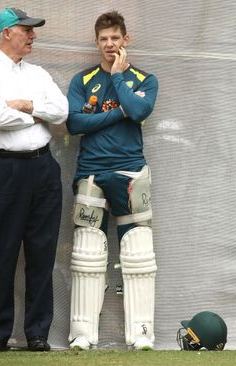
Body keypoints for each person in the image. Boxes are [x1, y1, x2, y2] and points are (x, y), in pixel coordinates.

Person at [0, 8, 68, 352]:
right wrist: (38, 115)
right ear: (7, 32)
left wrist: (26, 105)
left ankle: (37, 333)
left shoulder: (37, 73)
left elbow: (62, 111)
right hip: (5, 169)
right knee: (2, 251)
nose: (33, 36)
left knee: (42, 253)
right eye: (27, 30)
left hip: (43, 168)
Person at [66, 10, 158, 350]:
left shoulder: (145, 80)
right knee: (87, 250)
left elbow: (138, 112)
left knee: (138, 251)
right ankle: (82, 334)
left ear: (125, 40)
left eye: (115, 38)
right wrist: (117, 111)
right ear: (96, 42)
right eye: (103, 39)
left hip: (131, 172)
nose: (109, 44)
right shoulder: (82, 80)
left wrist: (119, 78)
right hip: (91, 171)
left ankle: (141, 334)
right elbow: (74, 124)